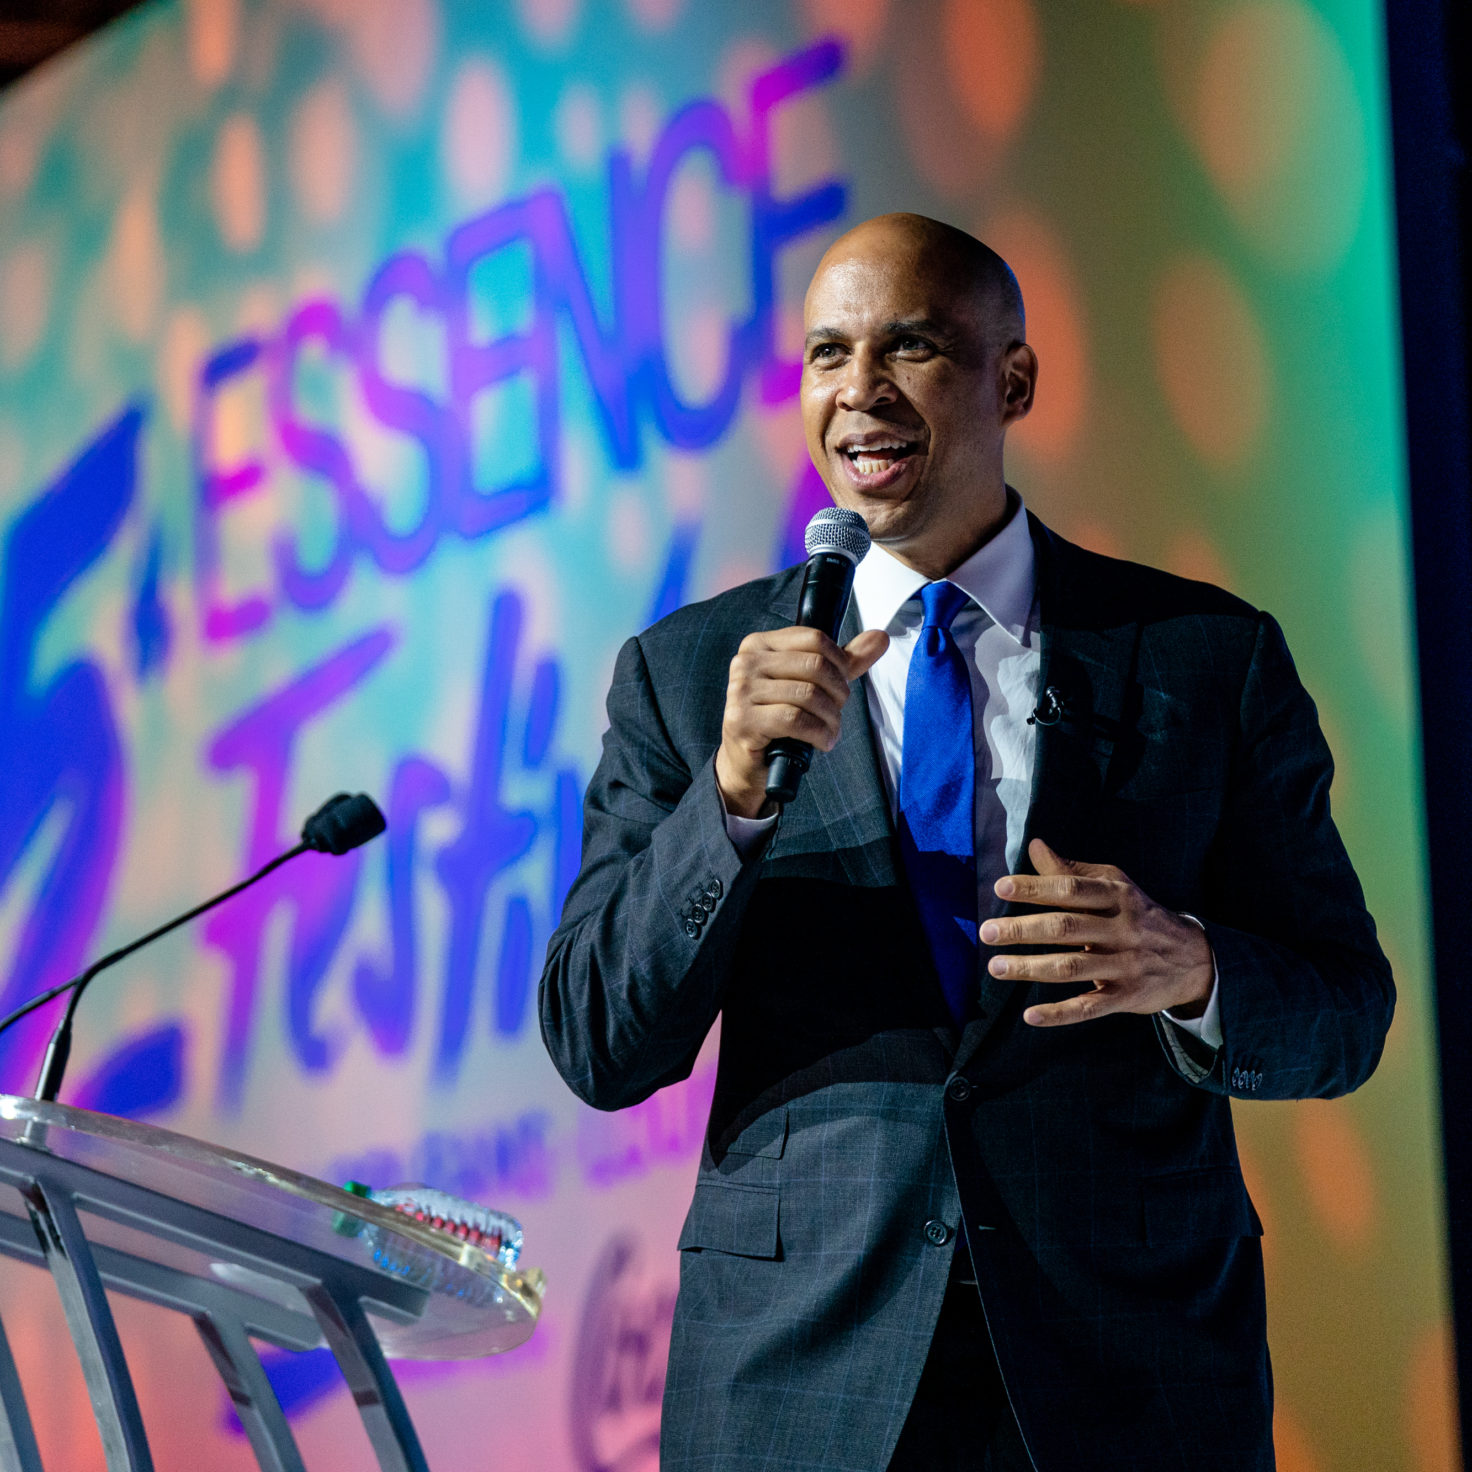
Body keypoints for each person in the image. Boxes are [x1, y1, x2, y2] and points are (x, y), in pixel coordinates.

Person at [539, 213, 1394, 1472]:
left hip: (1127, 1371)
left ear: (1015, 378)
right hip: (798, 1373)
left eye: (910, 346)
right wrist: (725, 801)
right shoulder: (689, 674)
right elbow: (597, 1040)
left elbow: (1345, 1010)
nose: (858, 390)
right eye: (827, 354)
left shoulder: (1205, 658)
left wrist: (1191, 967)